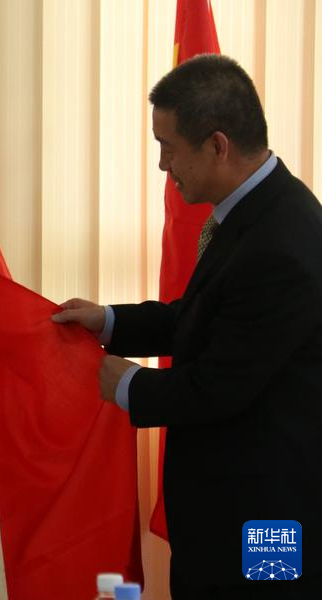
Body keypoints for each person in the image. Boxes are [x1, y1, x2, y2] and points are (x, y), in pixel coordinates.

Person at [53, 54, 322, 599]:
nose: (162, 165)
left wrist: (126, 384)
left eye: (168, 147)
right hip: (227, 505)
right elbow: (199, 317)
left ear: (217, 145)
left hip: (264, 514)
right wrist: (108, 321)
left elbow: (220, 387)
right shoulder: (254, 211)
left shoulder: (282, 240)